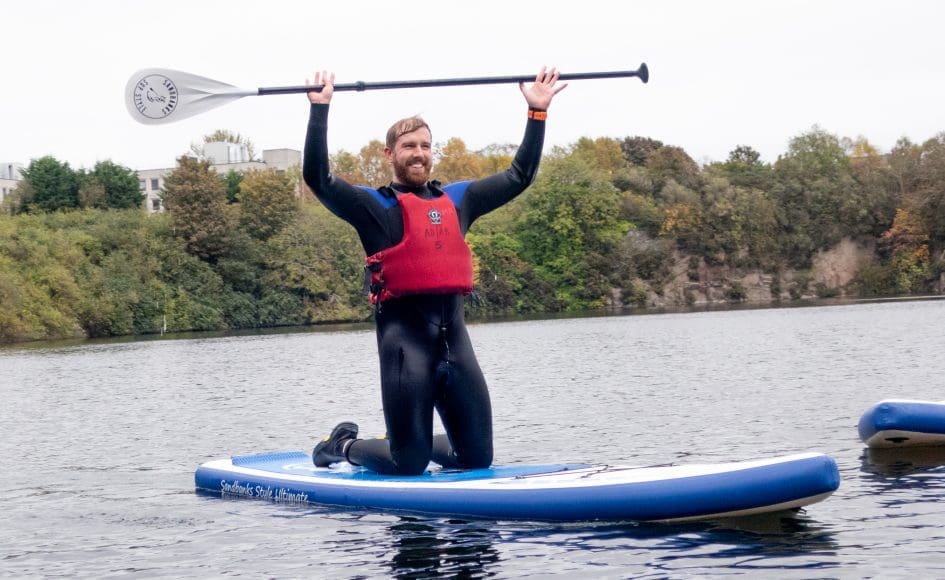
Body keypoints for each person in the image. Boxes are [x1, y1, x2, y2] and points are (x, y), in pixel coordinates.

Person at [303, 66, 567, 475]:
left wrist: (537, 113)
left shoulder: (460, 199)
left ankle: (415, 439)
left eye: (426, 145)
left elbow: (520, 176)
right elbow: (317, 178)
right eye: (409, 146)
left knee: (476, 458)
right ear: (389, 154)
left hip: (455, 345)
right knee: (407, 462)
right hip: (405, 348)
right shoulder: (374, 207)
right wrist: (320, 110)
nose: (419, 153)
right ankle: (342, 445)